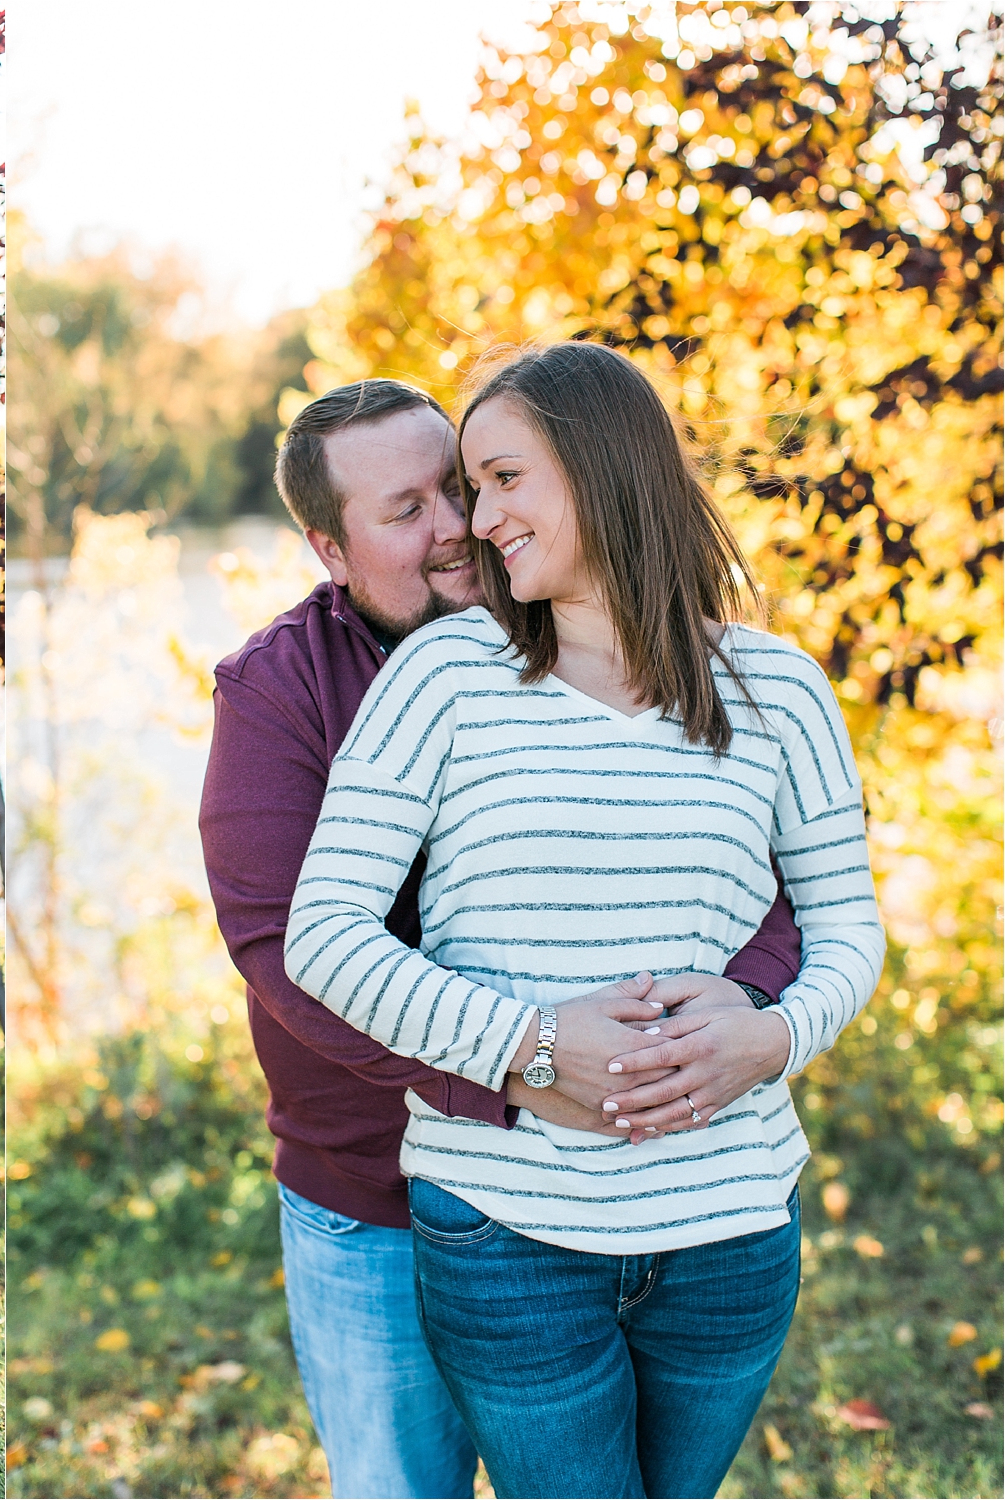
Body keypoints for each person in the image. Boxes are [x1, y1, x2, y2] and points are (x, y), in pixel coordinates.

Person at [283, 343, 884, 1498]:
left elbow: (847, 925)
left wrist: (775, 1032)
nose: (479, 520)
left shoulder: (778, 690)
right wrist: (529, 1043)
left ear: (601, 464)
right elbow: (324, 934)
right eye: (469, 485)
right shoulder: (444, 677)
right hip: (508, 1236)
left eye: (503, 479)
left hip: (729, 1230)